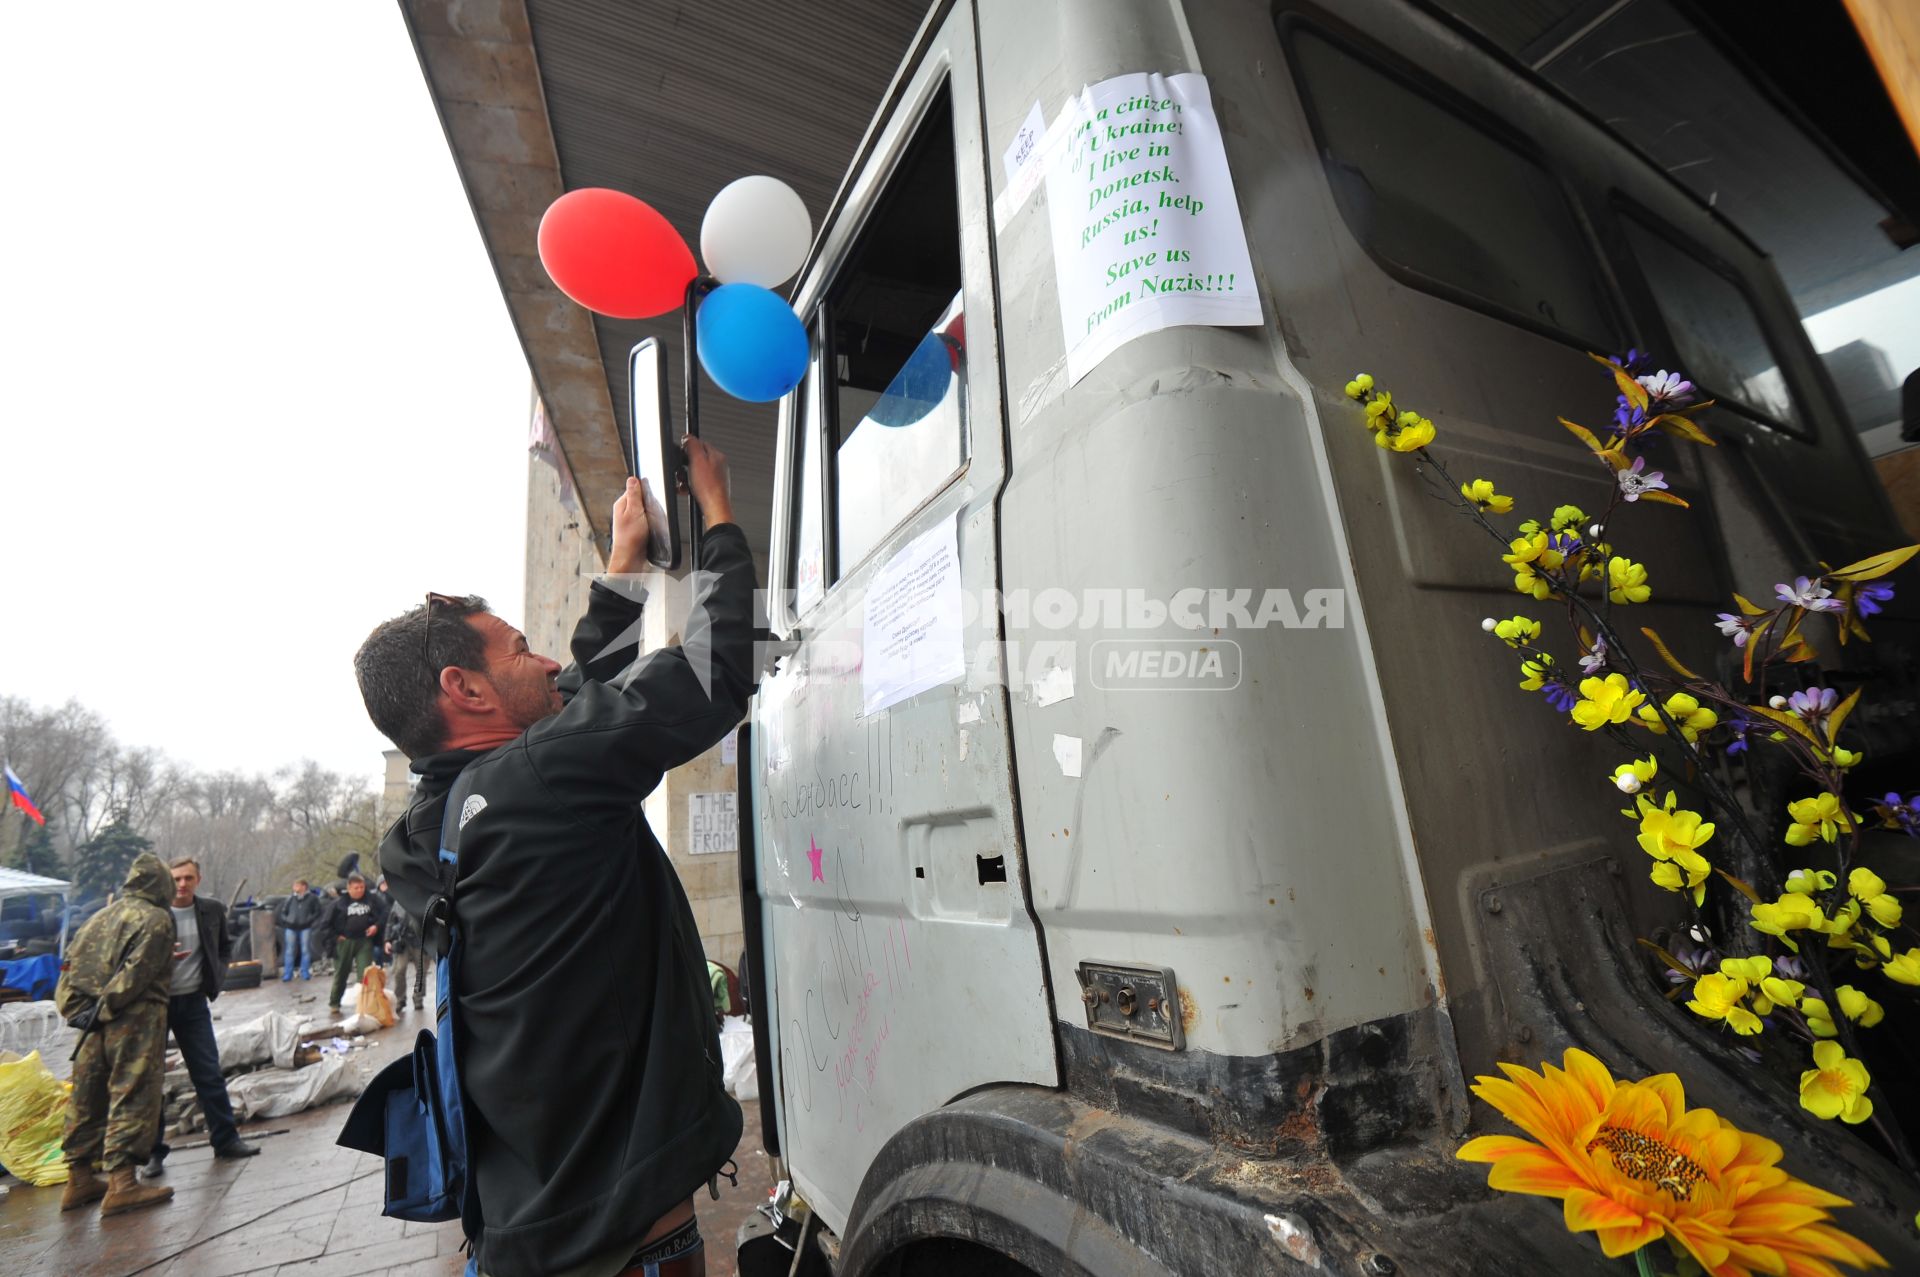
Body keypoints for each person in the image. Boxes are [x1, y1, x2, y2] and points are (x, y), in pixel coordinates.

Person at [352, 439, 752, 1277]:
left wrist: (623, 566)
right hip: (625, 1245)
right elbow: (721, 664)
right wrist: (719, 512)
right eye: (518, 646)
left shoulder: (430, 827)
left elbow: (569, 700)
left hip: (530, 1229)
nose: (543, 659)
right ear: (464, 690)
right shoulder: (539, 780)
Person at [53, 853, 177, 1216]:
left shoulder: (95, 918)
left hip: (89, 1023)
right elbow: (137, 975)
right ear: (162, 885)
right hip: (134, 1020)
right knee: (132, 1093)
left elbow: (69, 968)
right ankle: (122, 1184)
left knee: (86, 1096)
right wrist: (107, 1007)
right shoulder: (157, 920)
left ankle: (78, 1180)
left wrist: (79, 1012)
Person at [139, 858, 261, 1178]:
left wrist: (216, 978)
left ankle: (226, 1140)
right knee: (151, 1080)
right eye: (176, 878)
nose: (182, 884)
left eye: (188, 878)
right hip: (157, 1004)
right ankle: (153, 1153)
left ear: (198, 878)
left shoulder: (211, 910)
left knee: (208, 1073)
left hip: (194, 1004)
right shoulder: (154, 913)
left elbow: (223, 947)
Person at [327, 873, 386, 1014]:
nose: (360, 890)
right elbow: (325, 923)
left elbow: (385, 912)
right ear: (349, 888)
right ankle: (334, 1003)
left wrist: (376, 926)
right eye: (356, 888)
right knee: (341, 973)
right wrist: (335, 936)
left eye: (362, 887)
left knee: (365, 974)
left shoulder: (371, 899)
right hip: (345, 942)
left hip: (364, 941)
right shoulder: (339, 903)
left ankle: (364, 1004)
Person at [275, 878, 323, 981]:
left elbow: (318, 911)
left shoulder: (312, 898)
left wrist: (310, 920)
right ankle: (288, 974)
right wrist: (287, 920)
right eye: (294, 886)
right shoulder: (290, 899)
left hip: (305, 927)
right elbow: (284, 912)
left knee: (305, 950)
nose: (294, 888)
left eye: (297, 886)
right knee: (289, 950)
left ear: (304, 887)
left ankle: (305, 972)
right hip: (291, 928)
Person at [384, 898, 427, 1012]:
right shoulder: (399, 900)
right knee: (399, 970)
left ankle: (418, 999)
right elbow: (390, 922)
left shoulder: (423, 898)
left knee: (421, 972)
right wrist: (387, 940)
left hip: (420, 940)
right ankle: (399, 999)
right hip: (402, 940)